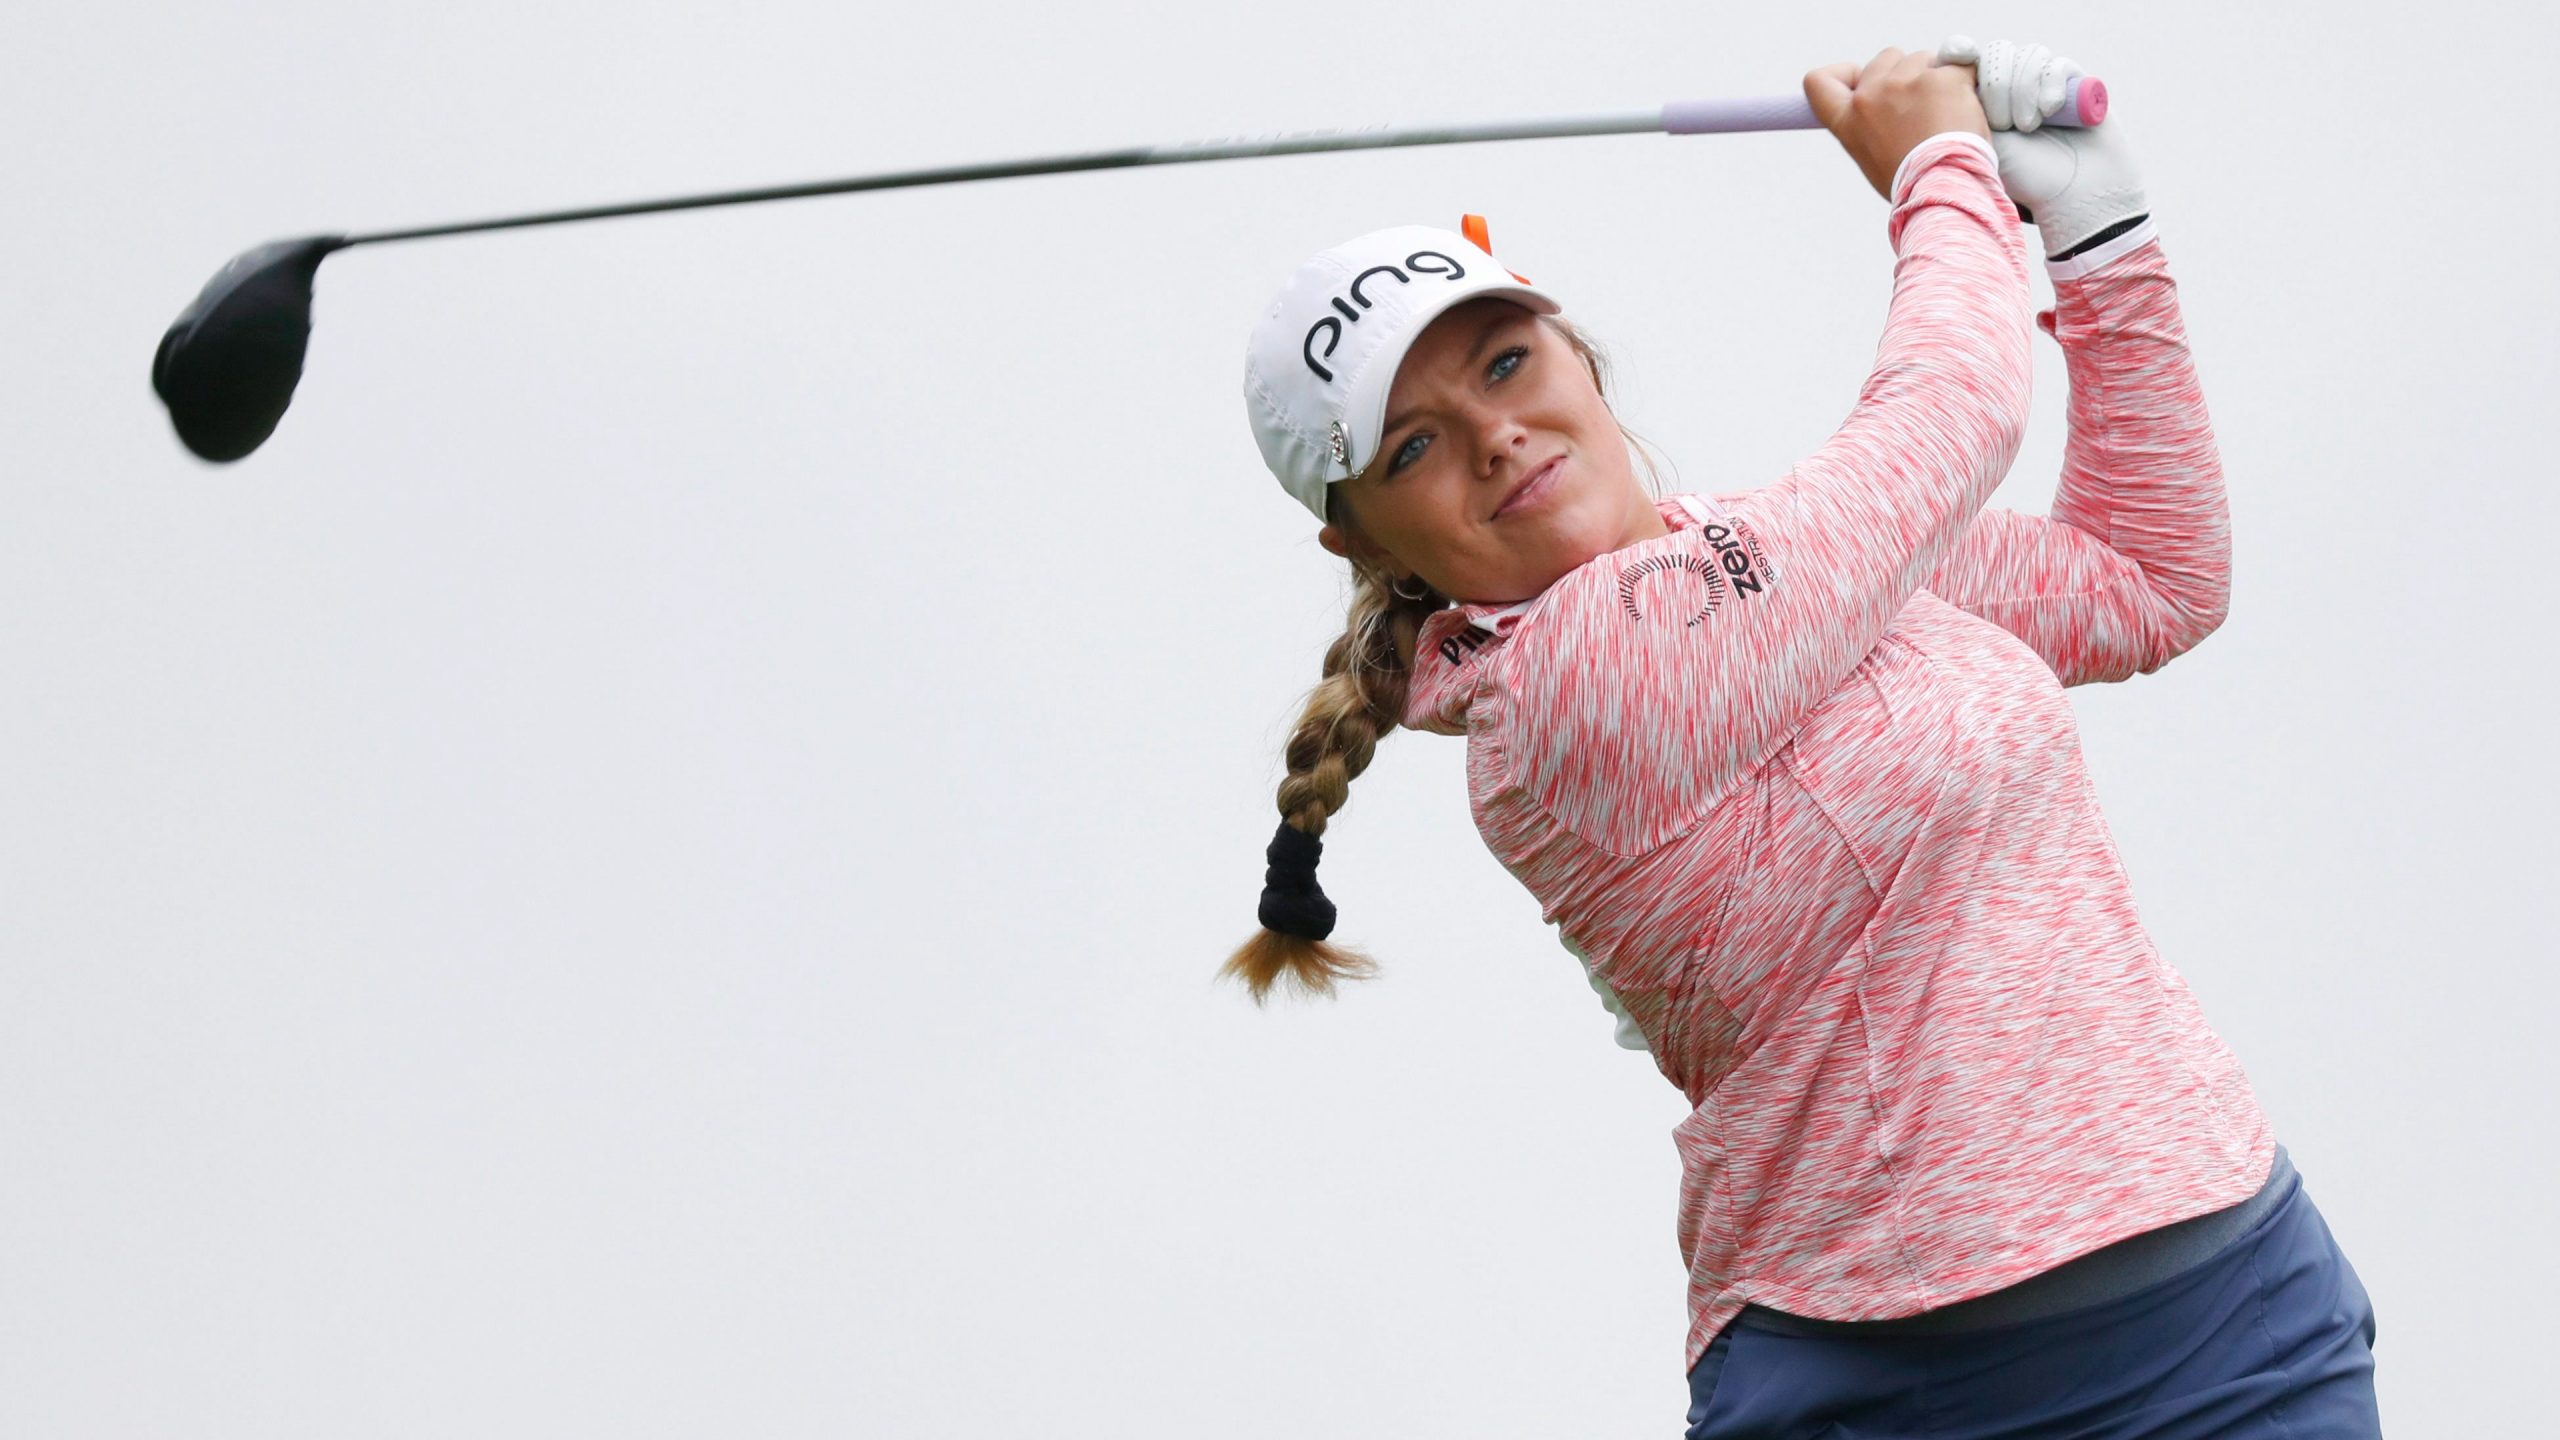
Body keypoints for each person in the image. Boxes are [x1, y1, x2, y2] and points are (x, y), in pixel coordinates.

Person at [1228, 36, 2385, 1438]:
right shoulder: (1557, 694)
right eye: (1410, 445)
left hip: (2232, 1318)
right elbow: (1954, 411)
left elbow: (2147, 579)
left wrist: (2101, 235)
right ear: (1359, 538)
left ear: (1577, 354)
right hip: (1897, 1388)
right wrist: (1939, 169)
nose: (1494, 436)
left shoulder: (1800, 559)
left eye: (1507, 361)